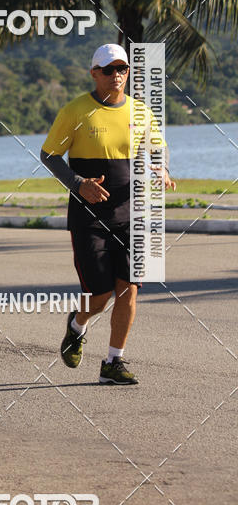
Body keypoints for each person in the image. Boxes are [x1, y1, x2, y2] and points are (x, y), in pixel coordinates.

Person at [40, 43, 175, 385]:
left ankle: (113, 362)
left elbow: (157, 148)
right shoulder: (76, 111)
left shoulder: (141, 112)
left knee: (129, 288)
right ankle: (77, 325)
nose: (117, 75)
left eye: (122, 69)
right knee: (99, 295)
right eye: (109, 69)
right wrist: (78, 182)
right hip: (90, 218)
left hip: (133, 215)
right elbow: (50, 155)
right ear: (94, 74)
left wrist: (161, 167)